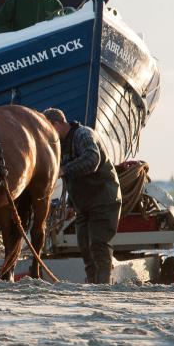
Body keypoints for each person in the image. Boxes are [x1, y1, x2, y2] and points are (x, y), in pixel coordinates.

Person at [43, 108, 121, 284]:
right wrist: (71, 203)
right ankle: (93, 283)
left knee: (99, 246)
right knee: (85, 248)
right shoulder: (61, 145)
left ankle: (102, 286)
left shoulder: (84, 134)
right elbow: (75, 178)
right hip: (82, 204)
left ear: (55, 124)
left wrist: (63, 169)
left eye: (48, 130)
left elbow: (92, 160)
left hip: (104, 199)